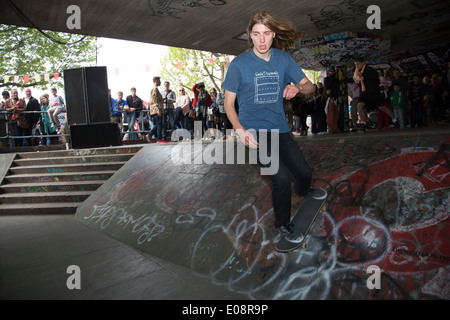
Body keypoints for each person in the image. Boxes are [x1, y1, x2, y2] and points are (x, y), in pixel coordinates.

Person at [223, 10, 326, 245]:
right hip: (254, 132)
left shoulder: (284, 59)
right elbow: (229, 104)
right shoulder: (238, 65)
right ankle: (282, 225)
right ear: (250, 35)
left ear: (273, 35)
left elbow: (311, 87)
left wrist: (299, 89)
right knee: (280, 178)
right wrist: (240, 129)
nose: (261, 40)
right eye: (256, 34)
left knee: (304, 173)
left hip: (279, 128)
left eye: (266, 34)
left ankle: (304, 189)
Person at [353, 57, 397, 129]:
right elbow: (356, 79)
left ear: (362, 63)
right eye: (355, 64)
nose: (357, 66)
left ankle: (395, 120)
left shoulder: (369, 70)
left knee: (382, 107)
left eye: (358, 64)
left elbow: (375, 78)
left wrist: (364, 76)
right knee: (359, 106)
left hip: (373, 92)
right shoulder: (357, 72)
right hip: (364, 93)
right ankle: (364, 123)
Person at [146, 76, 167, 143]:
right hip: (156, 110)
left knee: (159, 123)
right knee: (159, 123)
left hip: (157, 109)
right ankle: (157, 138)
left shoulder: (156, 89)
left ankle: (156, 137)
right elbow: (154, 101)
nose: (160, 82)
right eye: (159, 80)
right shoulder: (154, 89)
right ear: (155, 81)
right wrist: (158, 110)